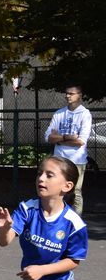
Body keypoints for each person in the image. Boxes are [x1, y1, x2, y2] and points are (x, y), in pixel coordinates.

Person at [44, 86, 92, 214]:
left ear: (79, 95)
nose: (67, 96)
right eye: (66, 93)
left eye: (71, 93)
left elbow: (80, 141)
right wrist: (67, 137)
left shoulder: (84, 114)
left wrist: (58, 139)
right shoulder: (59, 113)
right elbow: (48, 137)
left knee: (75, 192)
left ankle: (76, 221)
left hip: (76, 160)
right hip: (59, 159)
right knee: (56, 189)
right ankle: (57, 217)